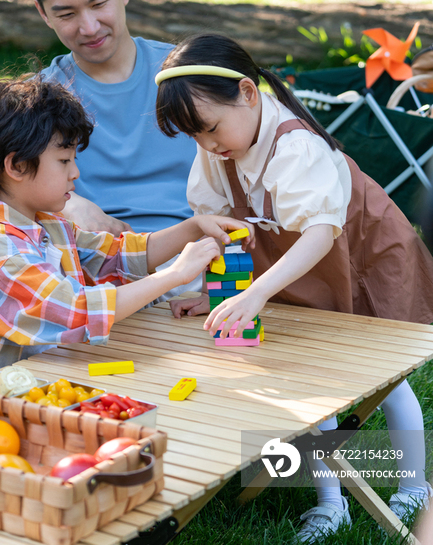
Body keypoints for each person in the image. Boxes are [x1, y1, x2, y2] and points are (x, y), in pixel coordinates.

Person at [154, 32, 433, 543]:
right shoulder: (219, 150)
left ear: (247, 92)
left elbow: (322, 233)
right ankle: (331, 501)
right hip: (297, 268)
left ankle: (416, 484)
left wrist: (257, 292)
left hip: (359, 259)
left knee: (388, 378)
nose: (208, 146)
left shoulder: (294, 146)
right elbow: (214, 223)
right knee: (308, 384)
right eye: (195, 137)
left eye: (211, 129)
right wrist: (209, 288)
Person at [0, 75, 252, 379]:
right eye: (63, 161)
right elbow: (76, 311)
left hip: (28, 384)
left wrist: (195, 227)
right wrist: (175, 275)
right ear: (16, 165)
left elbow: (119, 256)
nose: (75, 174)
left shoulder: (48, 226)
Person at [26, 0, 197, 239]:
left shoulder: (189, 73)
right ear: (43, 14)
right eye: (66, 15)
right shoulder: (38, 101)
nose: (89, 28)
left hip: (199, 250)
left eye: (98, 3)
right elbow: (4, 188)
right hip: (95, 261)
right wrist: (68, 206)